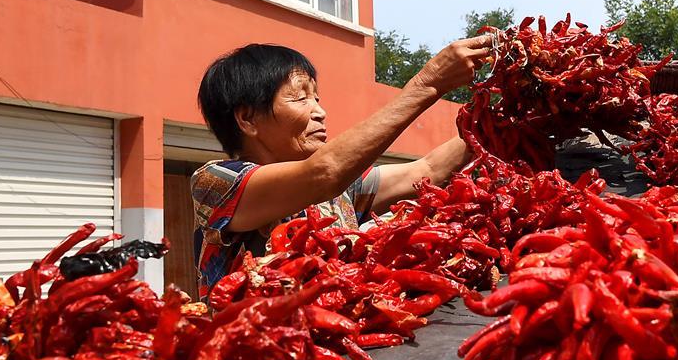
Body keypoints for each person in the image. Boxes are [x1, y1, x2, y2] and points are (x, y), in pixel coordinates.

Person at [191, 36, 492, 300]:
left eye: (317, 98)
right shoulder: (214, 182)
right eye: (300, 97)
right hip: (258, 357)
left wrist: (495, 117)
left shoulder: (341, 187)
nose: (320, 112)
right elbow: (324, 173)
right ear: (247, 119)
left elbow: (427, 169)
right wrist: (428, 83)